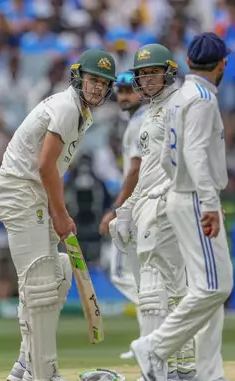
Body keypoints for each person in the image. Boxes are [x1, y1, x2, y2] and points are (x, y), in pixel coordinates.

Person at [129, 33, 235, 381]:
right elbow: (196, 154)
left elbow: (173, 158)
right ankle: (154, 348)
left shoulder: (183, 96)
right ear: (222, 64)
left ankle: (209, 377)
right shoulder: (200, 99)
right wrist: (209, 203)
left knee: (206, 288)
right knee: (217, 286)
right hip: (196, 198)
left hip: (184, 195)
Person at [0, 49, 117, 381]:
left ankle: (27, 363)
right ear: (79, 78)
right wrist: (61, 214)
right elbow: (45, 166)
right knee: (41, 283)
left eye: (103, 83)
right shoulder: (66, 106)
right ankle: (43, 377)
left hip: (32, 193)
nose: (97, 87)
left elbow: (49, 169)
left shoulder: (80, 113)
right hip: (20, 191)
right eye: (92, 80)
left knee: (56, 273)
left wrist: (58, 212)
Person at [112, 44, 195, 381]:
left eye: (152, 72)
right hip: (153, 205)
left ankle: (155, 372)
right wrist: (128, 209)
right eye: (141, 74)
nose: (146, 79)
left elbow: (185, 161)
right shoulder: (154, 110)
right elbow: (146, 169)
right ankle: (181, 369)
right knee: (175, 290)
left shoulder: (177, 105)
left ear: (168, 72)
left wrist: (156, 200)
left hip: (164, 206)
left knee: (152, 286)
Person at [98, 71, 146, 360]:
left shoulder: (138, 124)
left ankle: (154, 339)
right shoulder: (140, 122)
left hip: (138, 209)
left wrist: (116, 209)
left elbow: (135, 171)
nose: (124, 96)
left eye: (130, 90)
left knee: (123, 272)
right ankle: (152, 340)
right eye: (120, 90)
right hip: (145, 206)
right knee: (147, 280)